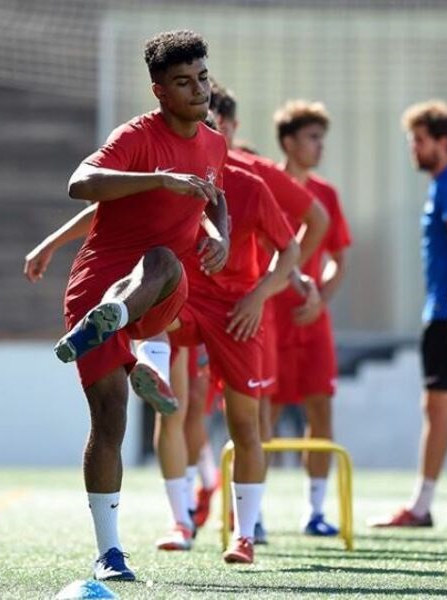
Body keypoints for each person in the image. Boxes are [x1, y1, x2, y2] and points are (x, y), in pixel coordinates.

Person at [30, 30, 229, 581]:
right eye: (183, 83)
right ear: (159, 91)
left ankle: (124, 336)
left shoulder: (214, 143)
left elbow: (220, 197)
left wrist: (222, 235)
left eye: (202, 78)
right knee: (111, 418)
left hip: (161, 291)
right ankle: (110, 551)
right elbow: (79, 184)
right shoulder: (136, 137)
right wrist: (157, 178)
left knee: (165, 259)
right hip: (95, 284)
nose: (198, 90)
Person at [153, 157, 302, 564]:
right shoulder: (165, 175)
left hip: (237, 309)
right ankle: (179, 520)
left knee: (245, 425)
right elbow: (102, 210)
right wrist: (52, 244)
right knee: (172, 410)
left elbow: (294, 243)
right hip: (184, 302)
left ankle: (245, 535)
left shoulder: (252, 184)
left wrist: (260, 294)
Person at [208, 83, 329, 543]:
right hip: (200, 308)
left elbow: (306, 230)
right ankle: (190, 507)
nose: (206, 130)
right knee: (184, 405)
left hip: (253, 309)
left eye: (215, 122)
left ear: (233, 127)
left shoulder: (251, 174)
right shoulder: (176, 171)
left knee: (258, 412)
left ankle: (255, 515)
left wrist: (289, 281)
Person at [370, 100, 447, 528]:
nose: (412, 148)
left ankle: (419, 507)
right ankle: (420, 507)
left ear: (442, 141)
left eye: (418, 140)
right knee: (442, 408)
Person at [271, 100, 352, 536]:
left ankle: (315, 512)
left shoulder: (327, 194)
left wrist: (321, 296)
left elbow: (339, 259)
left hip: (312, 322)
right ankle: (253, 517)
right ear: (288, 141)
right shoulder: (264, 186)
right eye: (312, 137)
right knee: (260, 413)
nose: (320, 146)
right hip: (267, 319)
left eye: (323, 138)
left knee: (320, 412)